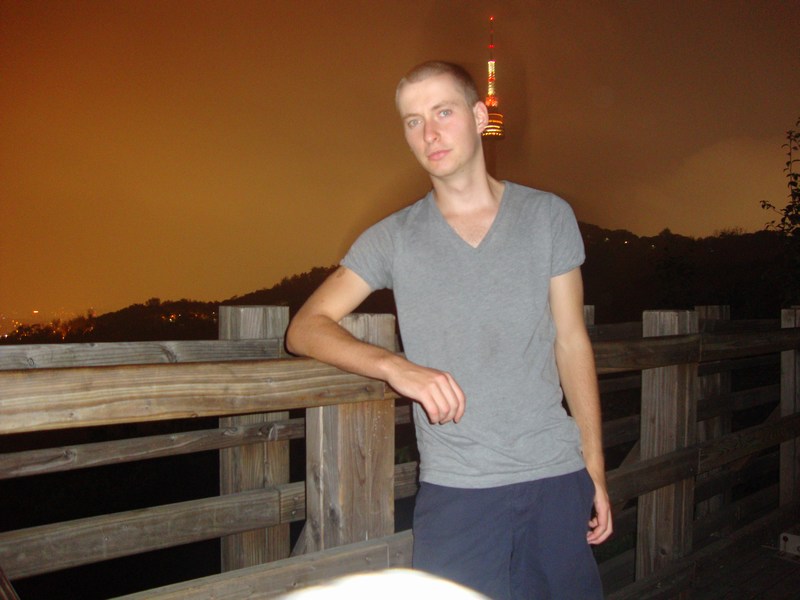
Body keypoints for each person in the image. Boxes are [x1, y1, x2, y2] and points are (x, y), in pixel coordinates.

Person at [286, 60, 612, 599]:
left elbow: (572, 341)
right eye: (413, 121)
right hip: (458, 489)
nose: (429, 134)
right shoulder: (393, 238)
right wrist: (396, 368)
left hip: (555, 474)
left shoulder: (548, 216)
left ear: (480, 117)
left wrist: (594, 468)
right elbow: (304, 328)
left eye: (443, 112)